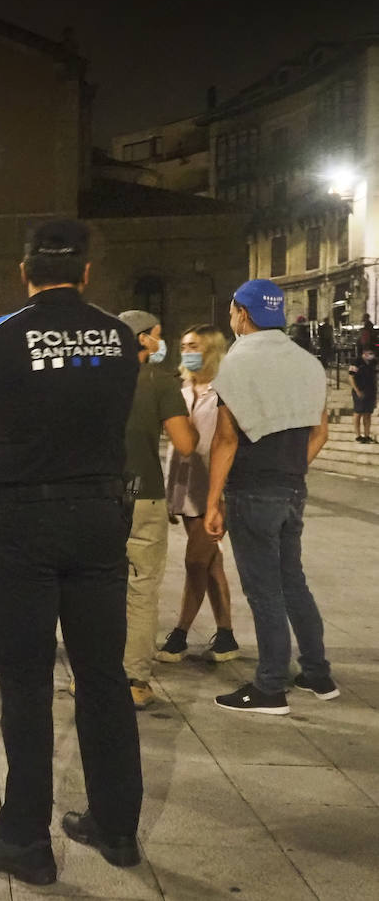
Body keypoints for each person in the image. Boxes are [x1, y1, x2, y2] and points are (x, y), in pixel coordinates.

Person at [0, 219, 142, 885]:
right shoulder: (120, 337)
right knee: (104, 674)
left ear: (24, 273)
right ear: (86, 273)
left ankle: (25, 837)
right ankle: (116, 826)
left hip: (23, 517)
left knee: (27, 683)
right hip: (98, 514)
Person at [205, 279, 337, 714]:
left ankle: (270, 686)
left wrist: (212, 501)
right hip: (291, 487)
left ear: (242, 313)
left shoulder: (237, 362)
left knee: (263, 591)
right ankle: (317, 674)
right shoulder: (308, 362)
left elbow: (226, 440)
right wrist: (293, 469)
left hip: (252, 488)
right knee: (291, 580)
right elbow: (320, 432)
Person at [115, 309, 197, 710]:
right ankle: (133, 679)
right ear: (143, 339)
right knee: (141, 589)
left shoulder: (95, 378)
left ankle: (93, 675)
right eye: (158, 337)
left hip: (98, 497)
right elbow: (185, 444)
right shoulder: (159, 380)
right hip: (144, 494)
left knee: (97, 589)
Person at [158, 326, 240, 663]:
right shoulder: (180, 389)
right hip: (185, 484)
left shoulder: (225, 391)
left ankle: (180, 633)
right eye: (183, 345)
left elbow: (226, 441)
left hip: (213, 488)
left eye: (194, 345)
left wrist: (219, 497)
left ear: (211, 350)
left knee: (197, 560)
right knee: (210, 562)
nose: (187, 350)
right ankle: (226, 635)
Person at [349, 349, 376, 443]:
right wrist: (357, 391)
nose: (372, 355)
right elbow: (351, 377)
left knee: (368, 413)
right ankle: (358, 436)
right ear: (364, 353)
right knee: (358, 412)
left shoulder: (372, 363)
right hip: (360, 391)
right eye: (370, 353)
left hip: (370, 391)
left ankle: (367, 435)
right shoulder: (357, 362)